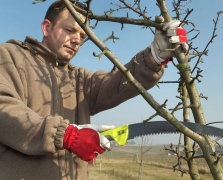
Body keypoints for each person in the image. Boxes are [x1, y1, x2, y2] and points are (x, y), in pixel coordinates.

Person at [0, 0, 187, 180]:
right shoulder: (9, 56)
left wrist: (154, 56)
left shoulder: (78, 79)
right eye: (70, 30)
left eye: (82, 36)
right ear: (47, 28)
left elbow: (117, 82)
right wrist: (64, 135)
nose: (76, 40)